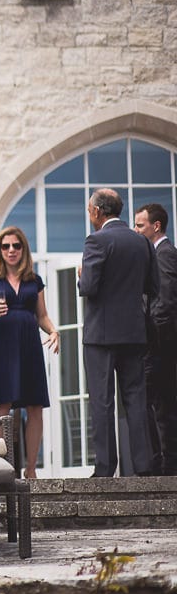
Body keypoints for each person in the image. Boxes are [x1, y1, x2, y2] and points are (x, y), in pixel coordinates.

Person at [79, 188, 157, 477]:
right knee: (135, 400)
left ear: (98, 212)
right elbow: (154, 288)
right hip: (134, 334)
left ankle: (104, 468)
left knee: (102, 401)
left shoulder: (96, 240)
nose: (89, 216)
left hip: (101, 336)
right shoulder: (142, 242)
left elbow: (89, 287)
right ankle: (144, 466)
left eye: (90, 211)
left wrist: (81, 276)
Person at [0, 227, 60, 479]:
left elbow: (42, 316)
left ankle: (31, 470)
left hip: (29, 345)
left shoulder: (34, 280)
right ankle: (3, 467)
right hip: (1, 345)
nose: (11, 250)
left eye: (16, 245)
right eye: (5, 246)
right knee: (2, 405)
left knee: (35, 406)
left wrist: (54, 331)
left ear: (23, 249)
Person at [134, 203, 177, 475]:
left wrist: (154, 342)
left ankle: (163, 463)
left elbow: (165, 301)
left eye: (140, 225)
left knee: (154, 403)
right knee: (158, 403)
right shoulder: (156, 254)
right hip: (160, 344)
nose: (136, 230)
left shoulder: (165, 254)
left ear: (156, 226)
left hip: (161, 345)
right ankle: (164, 462)